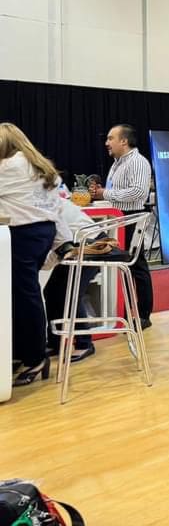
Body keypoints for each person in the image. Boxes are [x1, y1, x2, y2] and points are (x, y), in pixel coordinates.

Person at [0, 123, 62, 386]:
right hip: (43, 233)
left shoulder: (8, 166)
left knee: (24, 296)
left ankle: (35, 357)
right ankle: (24, 352)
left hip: (21, 234)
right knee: (23, 294)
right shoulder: (40, 166)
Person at [89, 124, 154, 327]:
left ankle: (143, 315)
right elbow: (119, 192)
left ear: (124, 141)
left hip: (132, 217)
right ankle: (125, 311)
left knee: (136, 265)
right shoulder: (118, 163)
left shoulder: (137, 162)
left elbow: (138, 192)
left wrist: (105, 193)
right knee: (125, 265)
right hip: (120, 218)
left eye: (111, 138)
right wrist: (103, 193)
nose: (107, 143)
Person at [43, 197, 99, 363]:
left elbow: (62, 243)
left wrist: (39, 266)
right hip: (76, 245)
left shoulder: (42, 204)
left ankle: (84, 343)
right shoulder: (41, 199)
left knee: (70, 294)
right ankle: (55, 342)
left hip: (89, 245)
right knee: (51, 292)